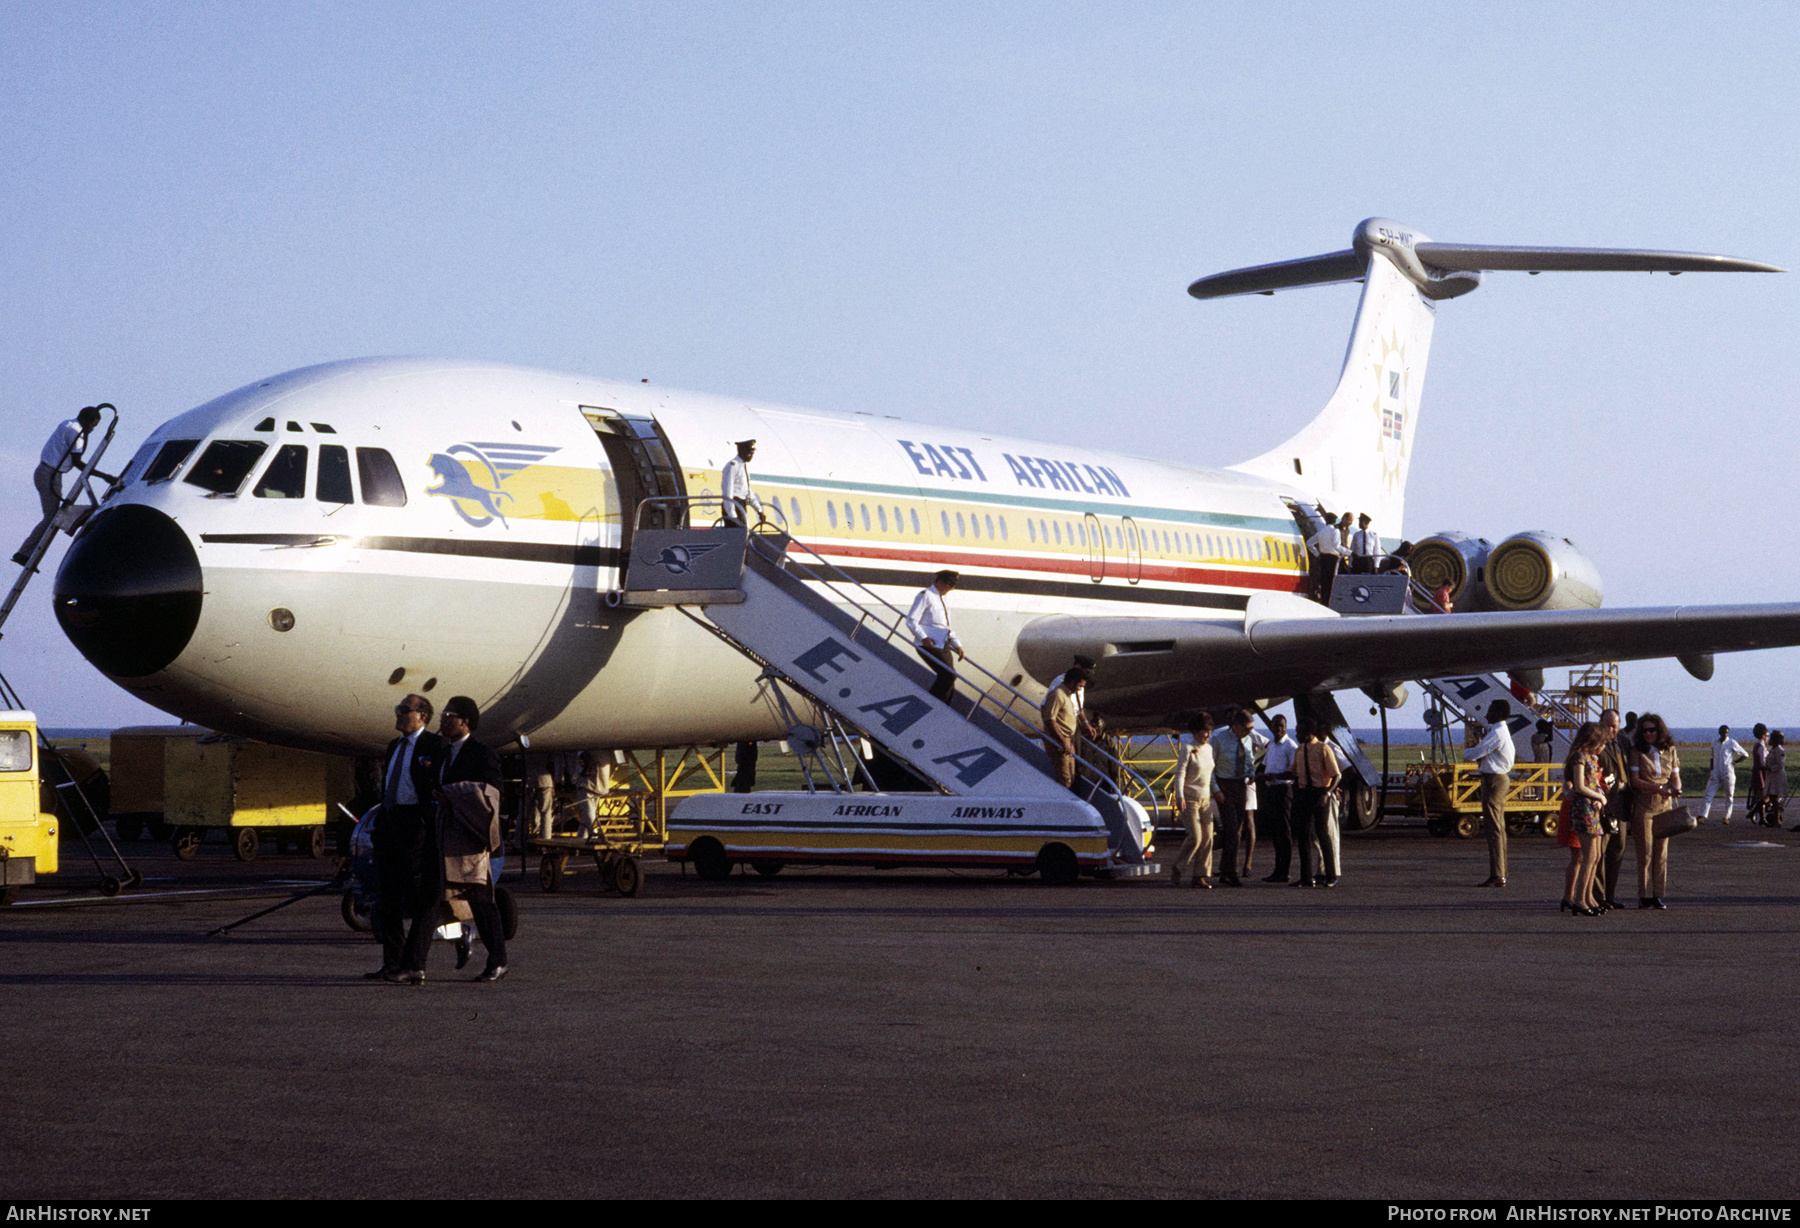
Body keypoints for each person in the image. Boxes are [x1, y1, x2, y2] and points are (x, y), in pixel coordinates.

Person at [396, 695, 509, 983]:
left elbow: (492, 792)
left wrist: (454, 794)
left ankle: (498, 960)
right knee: (429, 899)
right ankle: (414, 966)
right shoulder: (443, 753)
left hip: (468, 838)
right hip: (442, 834)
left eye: (450, 716)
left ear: (465, 721)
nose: (444, 720)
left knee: (481, 900)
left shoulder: (482, 753)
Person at [368, 694, 445, 982]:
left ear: (422, 716)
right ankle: (392, 962)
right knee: (387, 896)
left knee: (419, 895)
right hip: (390, 822)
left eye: (404, 710)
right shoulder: (394, 746)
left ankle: (414, 963)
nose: (398, 714)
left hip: (417, 825)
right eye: (397, 709)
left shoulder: (434, 746)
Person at [15, 404, 101, 566]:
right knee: (52, 517)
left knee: (53, 515)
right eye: (92, 425)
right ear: (87, 420)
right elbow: (79, 462)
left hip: (48, 472)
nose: (92, 429)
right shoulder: (77, 433)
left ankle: (27, 551)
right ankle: (24, 553)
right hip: (50, 474)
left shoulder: (67, 424)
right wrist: (104, 476)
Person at [1627, 713, 1681, 909]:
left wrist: (1677, 788)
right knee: (1645, 853)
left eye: (1652, 730)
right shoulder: (1637, 751)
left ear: (1660, 731)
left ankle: (1658, 894)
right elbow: (1635, 780)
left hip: (1664, 805)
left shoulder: (1670, 750)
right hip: (1644, 805)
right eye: (1645, 730)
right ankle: (1644, 895)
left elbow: (1675, 775)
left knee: (1661, 853)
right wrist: (1657, 788)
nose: (1649, 734)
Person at [1561, 721, 1610, 916]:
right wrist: (1599, 796)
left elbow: (1591, 783)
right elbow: (1580, 786)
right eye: (1601, 742)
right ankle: (1580, 899)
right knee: (1588, 857)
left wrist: (1599, 795)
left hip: (1592, 808)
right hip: (1584, 809)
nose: (1603, 747)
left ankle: (1588, 896)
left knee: (1596, 856)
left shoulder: (1591, 758)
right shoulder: (1580, 758)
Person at [1465, 699, 1516, 887]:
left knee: (1493, 828)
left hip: (1494, 780)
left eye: (1490, 710)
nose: (1487, 713)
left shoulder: (1496, 733)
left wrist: (1468, 751)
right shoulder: (1500, 732)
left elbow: (1475, 753)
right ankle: (1500, 872)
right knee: (1498, 828)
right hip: (1497, 778)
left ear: (1497, 712)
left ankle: (1498, 875)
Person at [1170, 714, 1221, 888]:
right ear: (1195, 731)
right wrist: (1179, 796)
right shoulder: (1187, 748)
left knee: (1208, 838)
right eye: (1204, 731)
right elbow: (1180, 773)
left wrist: (1216, 791)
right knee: (1196, 837)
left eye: (1209, 731)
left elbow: (1210, 775)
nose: (1207, 735)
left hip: (1206, 799)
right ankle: (1178, 867)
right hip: (1189, 798)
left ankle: (1200, 875)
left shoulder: (1209, 749)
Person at [1211, 708, 1256, 887]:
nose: (1249, 732)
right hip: (1224, 785)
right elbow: (1210, 768)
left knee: (1237, 830)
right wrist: (1216, 789)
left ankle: (1224, 869)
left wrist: (1251, 772)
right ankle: (1231, 871)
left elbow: (1249, 760)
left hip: (1240, 785)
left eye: (1251, 729)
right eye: (1246, 729)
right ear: (1236, 726)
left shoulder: (1247, 739)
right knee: (1231, 829)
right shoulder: (1219, 740)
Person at [1291, 719, 1339, 887]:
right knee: (1303, 835)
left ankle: (1331, 875)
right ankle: (1306, 876)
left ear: (1309, 733)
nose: (1297, 735)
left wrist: (1327, 793)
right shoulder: (1299, 750)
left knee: (1322, 833)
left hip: (1320, 793)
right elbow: (1294, 772)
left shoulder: (1323, 749)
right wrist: (1272, 776)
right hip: (1304, 793)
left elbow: (1336, 775)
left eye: (1300, 732)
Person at [906, 570, 963, 703]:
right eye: (950, 584)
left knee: (950, 677)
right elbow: (911, 620)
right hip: (929, 644)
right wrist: (923, 637)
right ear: (939, 582)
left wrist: (958, 645)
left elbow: (946, 627)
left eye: (954, 585)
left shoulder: (943, 599)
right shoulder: (925, 595)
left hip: (943, 644)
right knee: (948, 675)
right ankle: (931, 704)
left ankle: (944, 707)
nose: (952, 588)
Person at [1594, 708, 1631, 909]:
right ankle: (1598, 897)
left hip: (1622, 804)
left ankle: (1610, 895)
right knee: (1600, 852)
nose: (1611, 730)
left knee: (1618, 849)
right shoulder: (1595, 744)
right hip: (1604, 804)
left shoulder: (1624, 743)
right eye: (1607, 725)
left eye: (1614, 726)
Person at [1257, 714, 1298, 883]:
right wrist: (1261, 775)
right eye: (1275, 726)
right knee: (1275, 831)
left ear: (1285, 727)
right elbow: (1266, 765)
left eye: (1281, 726)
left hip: (1283, 789)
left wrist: (1276, 776)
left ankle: (1285, 870)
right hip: (1272, 789)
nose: (1278, 729)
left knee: (1284, 830)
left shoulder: (1290, 746)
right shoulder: (1272, 745)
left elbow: (1294, 771)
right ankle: (1277, 869)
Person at [1040, 668, 1088, 788]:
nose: (1080, 689)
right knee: (1065, 780)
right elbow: (1049, 719)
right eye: (1079, 685)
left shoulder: (1067, 695)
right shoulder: (1058, 695)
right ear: (1071, 682)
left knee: (1071, 777)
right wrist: (1063, 741)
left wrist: (1069, 742)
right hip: (1059, 742)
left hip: (1067, 740)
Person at [1699, 725, 1748, 824]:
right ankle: (1702, 815)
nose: (1724, 734)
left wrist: (1734, 762)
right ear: (1719, 732)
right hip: (1716, 773)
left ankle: (1726, 817)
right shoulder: (1714, 743)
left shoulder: (1732, 743)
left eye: (1726, 732)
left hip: (1728, 772)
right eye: (1723, 732)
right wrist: (1711, 770)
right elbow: (1712, 757)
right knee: (1708, 794)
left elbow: (1745, 755)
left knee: (1729, 796)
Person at [719, 439, 763, 527]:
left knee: (744, 533)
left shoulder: (743, 466)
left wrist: (759, 510)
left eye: (752, 453)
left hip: (741, 505)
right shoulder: (732, 466)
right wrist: (732, 515)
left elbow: (747, 491)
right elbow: (728, 492)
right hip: (734, 505)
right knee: (738, 536)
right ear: (742, 451)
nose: (751, 456)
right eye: (749, 453)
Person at [1307, 511, 1343, 602]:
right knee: (1332, 580)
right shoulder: (1335, 531)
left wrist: (1317, 554)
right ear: (1334, 522)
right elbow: (1336, 546)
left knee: (1324, 580)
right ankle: (1330, 601)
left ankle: (1324, 601)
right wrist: (1350, 553)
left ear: (1326, 521)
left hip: (1323, 558)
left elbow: (1309, 543)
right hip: (1332, 558)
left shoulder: (1321, 532)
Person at [1746, 723, 1770, 826]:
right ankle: (1753, 813)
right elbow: (1763, 762)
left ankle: (1762, 818)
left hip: (1756, 772)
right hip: (1761, 773)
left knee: (1762, 796)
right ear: (1763, 735)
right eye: (1767, 736)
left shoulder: (1757, 745)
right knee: (1766, 796)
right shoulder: (1762, 747)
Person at [1762, 731, 1787, 827]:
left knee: (1774, 798)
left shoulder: (1779, 751)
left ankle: (1777, 820)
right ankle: (1776, 818)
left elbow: (1780, 765)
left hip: (1777, 777)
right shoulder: (1773, 750)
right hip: (1772, 777)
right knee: (1772, 798)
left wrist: (1769, 768)